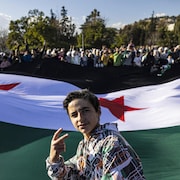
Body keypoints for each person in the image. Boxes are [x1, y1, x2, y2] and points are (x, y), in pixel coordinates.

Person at [46, 89, 145, 179]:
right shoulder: (84, 146)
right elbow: (69, 176)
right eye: (74, 115)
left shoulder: (111, 143)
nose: (80, 118)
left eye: (85, 111)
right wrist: (54, 159)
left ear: (98, 111)